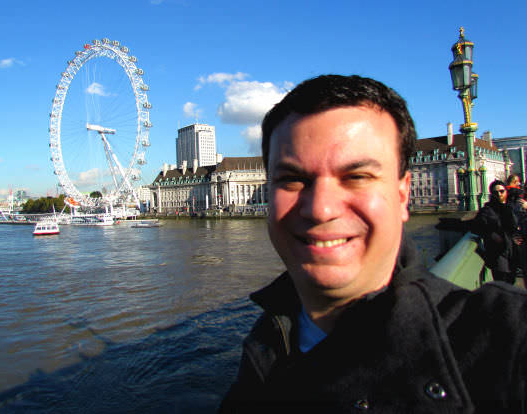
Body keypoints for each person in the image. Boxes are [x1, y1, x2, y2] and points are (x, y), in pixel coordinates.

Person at [220, 75, 527, 412]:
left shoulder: (502, 338)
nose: (321, 208)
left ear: (402, 193)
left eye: (357, 176)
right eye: (292, 179)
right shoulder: (263, 347)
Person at [472, 180, 522, 284]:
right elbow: (477, 227)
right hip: (498, 255)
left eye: (501, 191)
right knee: (502, 284)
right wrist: (493, 235)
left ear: (506, 192)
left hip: (512, 253)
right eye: (495, 192)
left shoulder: (510, 207)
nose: (499, 194)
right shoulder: (487, 210)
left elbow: (514, 227)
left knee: (511, 283)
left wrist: (517, 235)